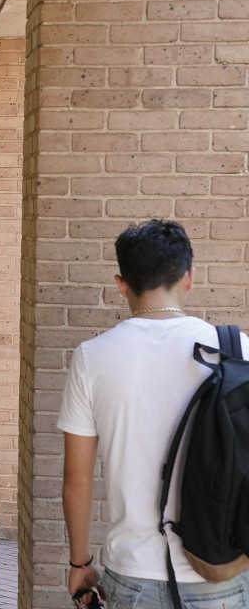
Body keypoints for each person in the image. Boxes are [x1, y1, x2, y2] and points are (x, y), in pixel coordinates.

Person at [58, 219, 249, 608]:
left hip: (132, 573)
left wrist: (80, 562)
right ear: (190, 277)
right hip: (220, 570)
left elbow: (76, 479)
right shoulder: (237, 350)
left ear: (121, 282)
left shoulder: (92, 358)